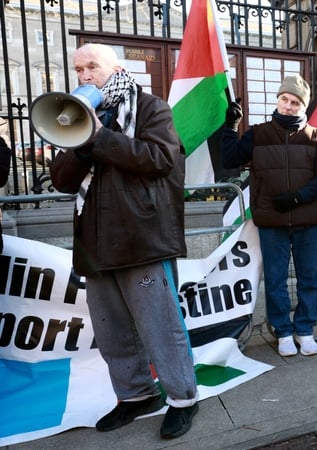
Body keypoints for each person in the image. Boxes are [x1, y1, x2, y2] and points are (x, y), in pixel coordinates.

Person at [49, 43, 198, 439]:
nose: (83, 76)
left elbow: (160, 160)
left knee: (159, 325)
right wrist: (82, 140)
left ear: (113, 68)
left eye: (91, 67)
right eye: (78, 68)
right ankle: (135, 395)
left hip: (141, 237)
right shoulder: (77, 116)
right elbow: (62, 180)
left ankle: (183, 397)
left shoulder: (151, 108)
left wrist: (100, 137)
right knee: (112, 330)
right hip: (95, 243)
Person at [221, 74, 317, 357]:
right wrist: (230, 125)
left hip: (306, 219)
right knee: (276, 279)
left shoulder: (315, 136)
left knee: (309, 278)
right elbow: (229, 159)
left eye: (295, 102)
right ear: (278, 100)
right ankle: (282, 331)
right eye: (285, 99)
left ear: (302, 106)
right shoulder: (258, 134)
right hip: (272, 221)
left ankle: (305, 330)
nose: (289, 106)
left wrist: (298, 197)